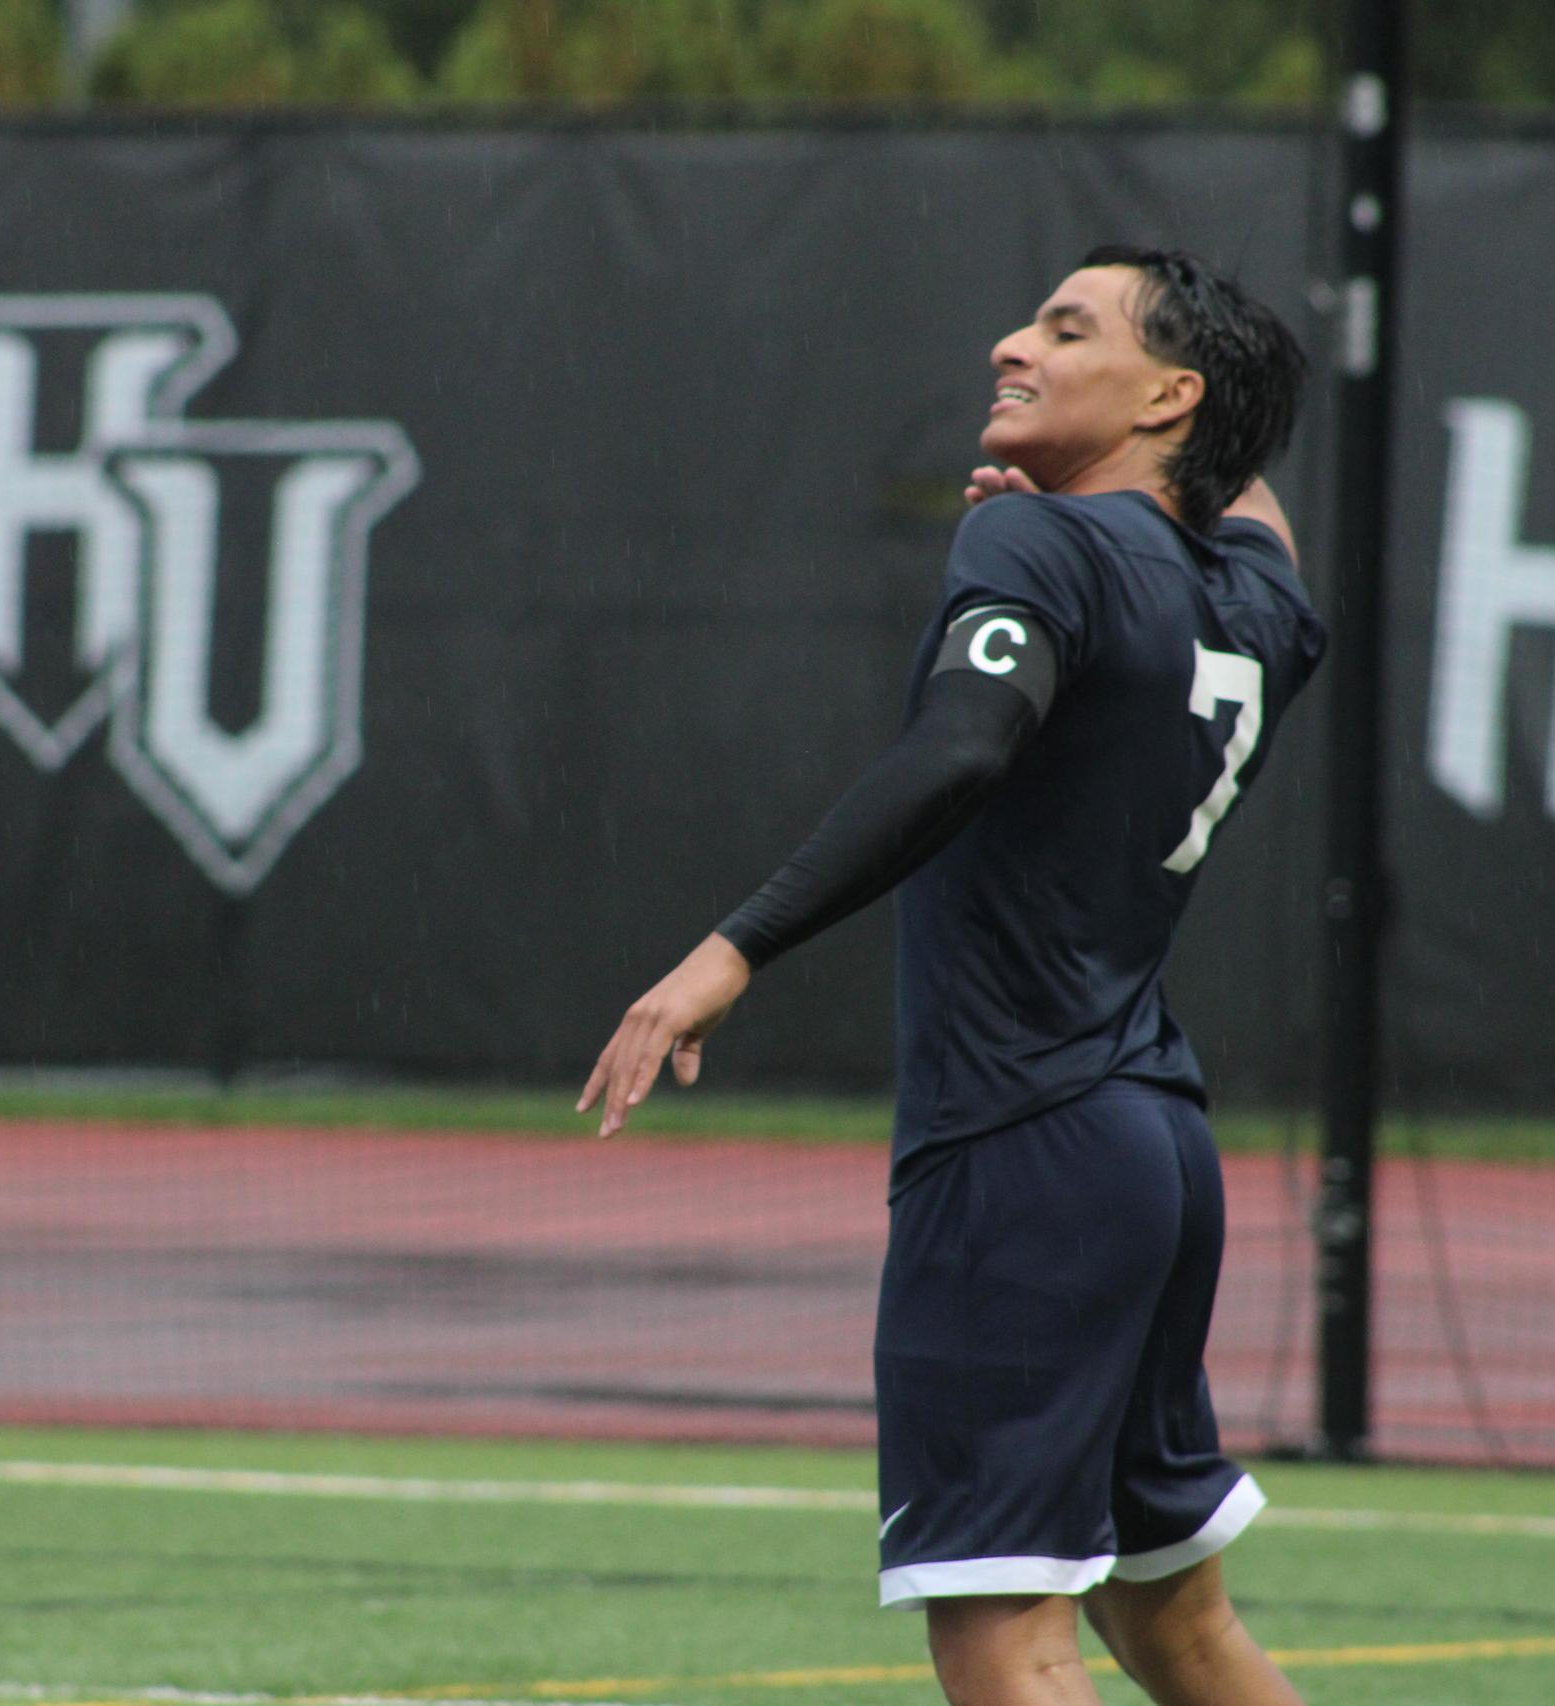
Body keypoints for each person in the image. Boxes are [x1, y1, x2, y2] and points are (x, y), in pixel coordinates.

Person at [578, 246, 1323, 1706]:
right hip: (1152, 1145)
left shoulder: (1037, 544)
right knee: (1177, 1629)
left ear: (1168, 396)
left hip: (1024, 1142)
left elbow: (966, 745)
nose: (1011, 345)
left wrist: (732, 948)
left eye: (1066, 329)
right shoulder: (1254, 598)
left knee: (1003, 1635)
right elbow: (1247, 498)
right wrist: (1135, 465)